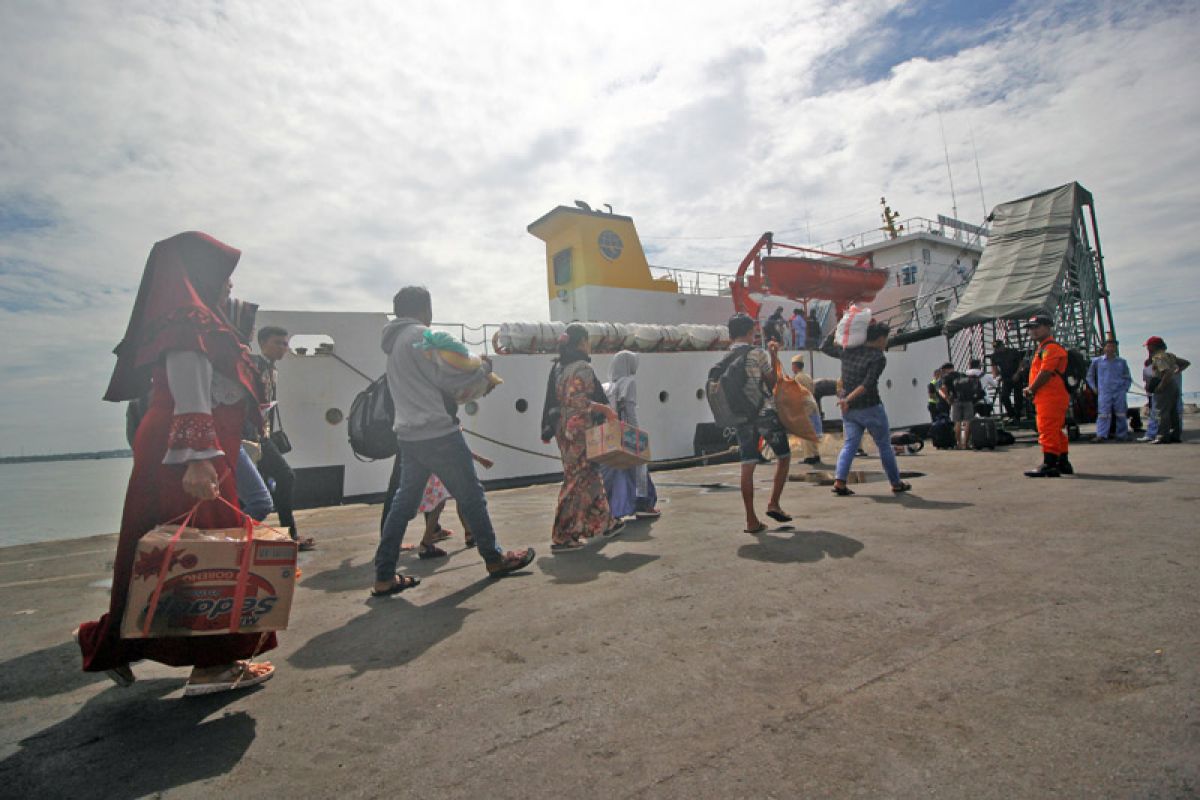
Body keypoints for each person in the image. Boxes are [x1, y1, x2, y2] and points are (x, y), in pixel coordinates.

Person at [75, 231, 277, 695]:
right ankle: (212, 665)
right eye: (223, 277)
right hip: (186, 455)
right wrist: (200, 460)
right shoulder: (190, 323)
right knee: (208, 552)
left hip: (183, 450)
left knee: (161, 554)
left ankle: (107, 643)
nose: (229, 286)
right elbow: (191, 392)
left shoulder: (197, 320)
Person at [373, 286, 534, 593]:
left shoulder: (393, 344)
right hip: (438, 433)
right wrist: (483, 372)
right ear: (425, 308)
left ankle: (383, 575)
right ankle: (494, 557)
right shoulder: (420, 336)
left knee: (403, 503)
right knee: (472, 495)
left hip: (409, 435)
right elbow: (447, 379)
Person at [547, 324, 622, 551]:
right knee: (576, 478)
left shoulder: (561, 368)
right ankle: (562, 535)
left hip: (564, 429)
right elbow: (578, 400)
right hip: (579, 430)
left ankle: (604, 522)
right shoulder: (582, 368)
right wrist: (605, 410)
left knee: (589, 474)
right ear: (581, 343)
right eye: (588, 341)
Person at [822, 321, 911, 496]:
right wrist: (848, 398)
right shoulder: (877, 357)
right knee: (884, 446)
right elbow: (867, 384)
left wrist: (840, 324)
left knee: (849, 446)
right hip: (871, 407)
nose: (886, 342)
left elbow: (824, 346)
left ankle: (840, 482)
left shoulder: (848, 351)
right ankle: (896, 483)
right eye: (886, 339)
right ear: (880, 339)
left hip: (850, 411)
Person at [724, 313, 794, 532]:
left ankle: (751, 520)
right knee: (784, 457)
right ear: (748, 332)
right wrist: (773, 355)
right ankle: (774, 503)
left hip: (742, 419)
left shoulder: (726, 357)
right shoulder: (757, 353)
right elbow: (772, 382)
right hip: (765, 415)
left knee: (747, 466)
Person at [253, 326, 315, 550]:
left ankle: (276, 533)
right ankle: (289, 534)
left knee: (265, 484)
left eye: (285, 343)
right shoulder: (255, 366)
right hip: (254, 435)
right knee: (285, 476)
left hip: (263, 434)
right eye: (277, 342)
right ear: (262, 343)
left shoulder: (272, 369)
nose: (283, 348)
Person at [601, 351, 660, 520]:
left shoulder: (608, 386)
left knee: (616, 470)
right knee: (640, 467)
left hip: (613, 432)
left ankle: (611, 509)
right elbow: (630, 411)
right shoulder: (629, 383)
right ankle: (643, 504)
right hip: (627, 432)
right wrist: (638, 434)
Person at [1022, 315, 1073, 477]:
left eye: (1037, 327)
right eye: (1031, 328)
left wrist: (1031, 389)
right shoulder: (1044, 348)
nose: (1033, 331)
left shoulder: (1050, 348)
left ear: (1048, 327)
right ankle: (1063, 462)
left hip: (1050, 395)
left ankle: (1049, 464)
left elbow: (1046, 372)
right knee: (1055, 430)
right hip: (1049, 395)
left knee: (1047, 428)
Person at [1144, 336, 1190, 444]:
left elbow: (1167, 372)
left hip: (1165, 386)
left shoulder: (1158, 357)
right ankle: (1175, 435)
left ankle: (1162, 436)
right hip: (1174, 386)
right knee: (1173, 412)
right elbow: (1185, 363)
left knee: (1162, 412)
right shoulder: (1169, 355)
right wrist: (1178, 371)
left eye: (1148, 346)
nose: (1147, 348)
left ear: (1152, 347)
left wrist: (1161, 386)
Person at [1086, 337, 1133, 442]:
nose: (1110, 349)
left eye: (1113, 346)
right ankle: (1102, 435)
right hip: (1104, 391)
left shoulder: (1122, 362)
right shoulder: (1097, 362)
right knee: (1103, 414)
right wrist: (1094, 388)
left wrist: (1125, 388)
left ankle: (1122, 434)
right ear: (1104, 348)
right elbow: (1089, 376)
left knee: (1121, 413)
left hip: (1119, 391)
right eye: (1108, 346)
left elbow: (1127, 377)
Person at [790, 353, 823, 465]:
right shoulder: (807, 376)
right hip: (811, 404)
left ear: (795, 366)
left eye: (792, 365)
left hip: (804, 406)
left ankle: (809, 456)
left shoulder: (798, 378)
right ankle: (815, 454)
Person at [938, 361, 978, 450]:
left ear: (947, 369)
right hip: (968, 401)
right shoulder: (963, 375)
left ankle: (959, 444)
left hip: (955, 401)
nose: (943, 372)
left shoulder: (947, 377)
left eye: (943, 370)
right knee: (968, 422)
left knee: (957, 422)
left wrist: (947, 399)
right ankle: (966, 444)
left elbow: (943, 389)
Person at [992, 340, 1023, 421]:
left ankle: (1018, 415)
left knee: (1018, 397)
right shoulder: (995, 356)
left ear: (1002, 345)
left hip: (1017, 377)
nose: (997, 349)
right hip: (1006, 378)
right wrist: (996, 376)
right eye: (995, 348)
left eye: (998, 347)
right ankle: (1011, 414)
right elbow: (994, 367)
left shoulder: (1013, 351)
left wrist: (1017, 374)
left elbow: (1021, 364)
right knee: (1004, 396)